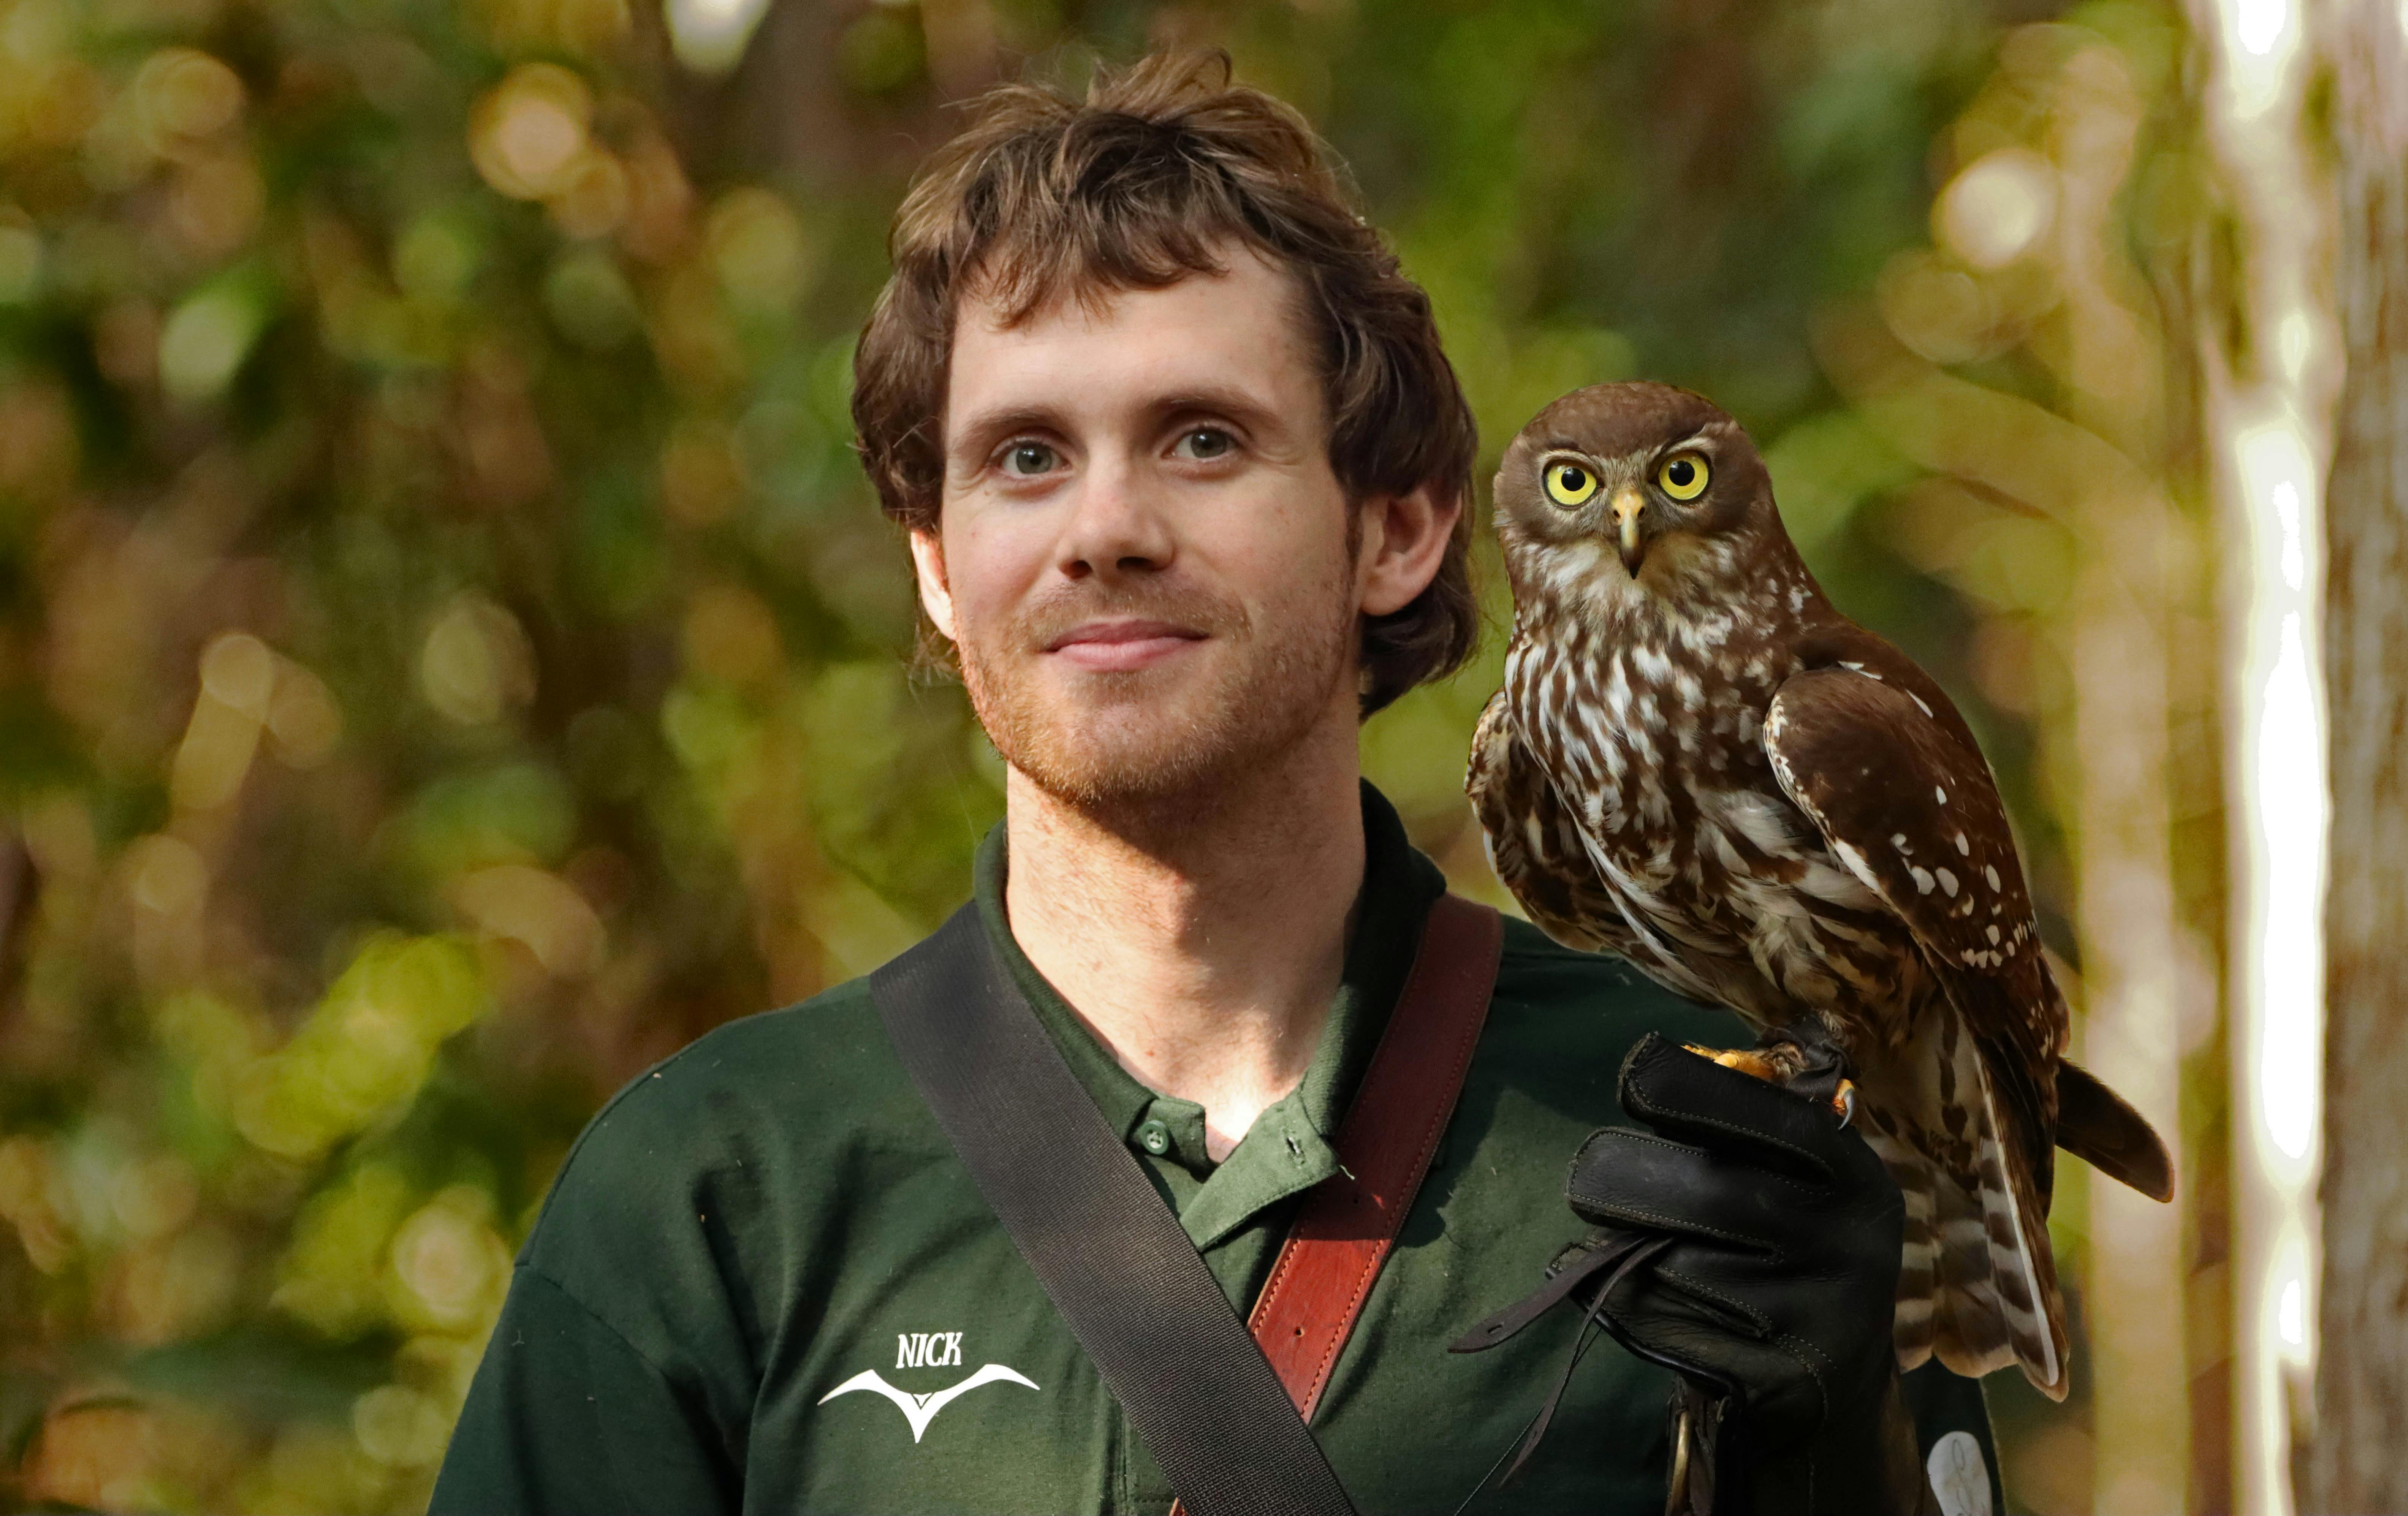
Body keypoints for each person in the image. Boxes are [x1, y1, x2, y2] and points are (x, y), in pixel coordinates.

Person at [429, 52, 2001, 1516]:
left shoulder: (1709, 1135)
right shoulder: (718, 1185)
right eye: (1025, 457)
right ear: (936, 565)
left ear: (1398, 528)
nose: (1104, 529)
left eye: (1199, 440)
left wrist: (1842, 1467)